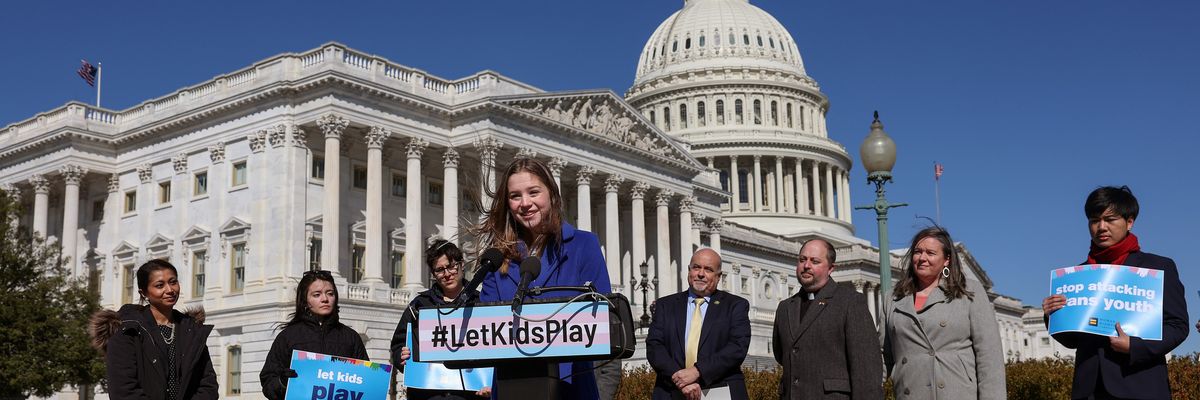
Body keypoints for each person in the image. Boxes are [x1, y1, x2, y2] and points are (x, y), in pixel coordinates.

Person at [476, 157, 612, 399]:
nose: (525, 203)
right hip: (512, 387)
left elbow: (604, 318)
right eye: (515, 196)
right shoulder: (496, 258)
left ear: (552, 194)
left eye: (534, 192)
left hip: (572, 388)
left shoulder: (584, 245)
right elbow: (486, 329)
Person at [1042, 186, 1189, 399]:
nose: (1101, 227)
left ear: (1129, 222)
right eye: (1094, 220)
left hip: (1140, 387)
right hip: (1089, 390)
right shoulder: (1077, 276)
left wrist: (1136, 346)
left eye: (1110, 220)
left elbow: (1178, 326)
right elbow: (1072, 341)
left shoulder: (1157, 268)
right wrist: (1052, 315)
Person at [882, 227, 1005, 400]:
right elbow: (883, 354)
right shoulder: (893, 298)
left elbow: (989, 357)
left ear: (946, 259)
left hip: (956, 393)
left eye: (930, 253)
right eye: (918, 252)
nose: (922, 258)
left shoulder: (969, 292)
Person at [88, 259, 218, 400]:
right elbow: (123, 391)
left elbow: (208, 385)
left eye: (173, 282)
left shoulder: (191, 330)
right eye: (160, 285)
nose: (169, 290)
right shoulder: (126, 330)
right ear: (143, 293)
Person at [772, 239, 882, 399]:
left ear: (831, 268)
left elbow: (866, 370)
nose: (806, 265)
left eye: (815, 261)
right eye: (802, 260)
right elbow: (781, 354)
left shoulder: (850, 302)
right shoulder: (785, 307)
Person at [391, 239, 491, 399]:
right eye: (440, 270)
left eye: (451, 266)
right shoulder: (418, 306)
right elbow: (398, 345)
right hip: (428, 394)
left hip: (471, 394)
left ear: (461, 264)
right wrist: (400, 357)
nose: (447, 274)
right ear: (433, 274)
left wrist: (490, 380)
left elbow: (495, 347)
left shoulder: (482, 303)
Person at [646, 248, 750, 400]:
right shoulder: (665, 305)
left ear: (718, 276)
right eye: (696, 267)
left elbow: (737, 347)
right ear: (689, 271)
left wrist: (697, 371)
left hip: (720, 390)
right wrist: (681, 380)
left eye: (708, 269)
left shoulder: (735, 305)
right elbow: (655, 347)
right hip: (671, 390)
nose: (701, 274)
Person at [260, 270, 368, 400]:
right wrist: (282, 382)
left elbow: (366, 383)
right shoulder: (288, 337)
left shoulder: (351, 337)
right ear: (305, 300)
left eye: (330, 293)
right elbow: (268, 384)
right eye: (317, 295)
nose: (325, 299)